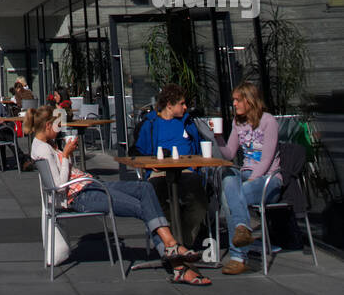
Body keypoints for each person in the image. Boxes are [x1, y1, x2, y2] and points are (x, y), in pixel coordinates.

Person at [24, 105, 210, 283]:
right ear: (48, 125)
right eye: (57, 126)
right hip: (82, 196)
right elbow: (58, 186)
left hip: (90, 186)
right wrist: (65, 156)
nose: (60, 129)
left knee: (145, 188)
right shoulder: (42, 150)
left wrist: (66, 156)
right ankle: (177, 263)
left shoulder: (46, 144)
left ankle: (170, 246)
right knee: (142, 207)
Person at [215, 82, 282, 275]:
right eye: (233, 100)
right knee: (228, 178)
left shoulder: (269, 121)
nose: (234, 104)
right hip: (246, 174)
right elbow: (228, 154)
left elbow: (267, 159)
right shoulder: (238, 123)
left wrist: (251, 180)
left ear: (249, 100)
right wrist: (218, 136)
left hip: (268, 179)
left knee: (231, 197)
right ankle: (243, 230)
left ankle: (238, 257)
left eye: (237, 100)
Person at [134, 84, 208, 250]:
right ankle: (176, 243)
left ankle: (184, 242)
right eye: (181, 103)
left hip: (186, 171)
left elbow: (198, 146)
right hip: (158, 173)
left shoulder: (187, 123)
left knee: (199, 202)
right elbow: (139, 151)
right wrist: (149, 164)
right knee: (156, 200)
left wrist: (196, 163)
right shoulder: (151, 124)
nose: (185, 107)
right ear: (169, 105)